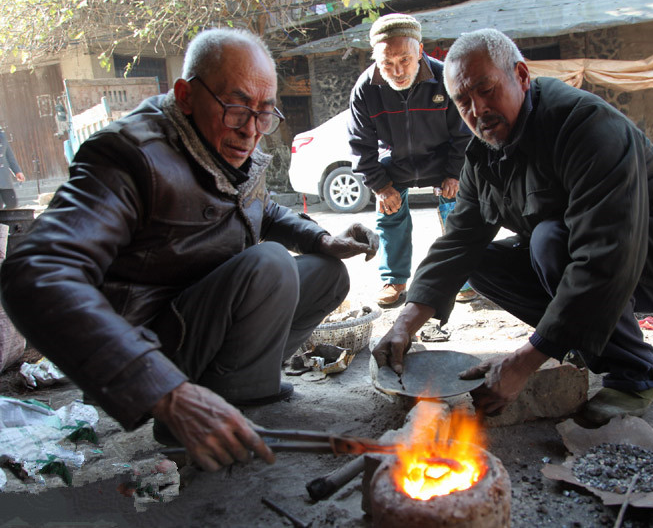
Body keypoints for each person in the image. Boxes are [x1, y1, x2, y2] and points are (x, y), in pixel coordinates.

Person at [0, 29, 378, 472]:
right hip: (155, 341)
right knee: (270, 263)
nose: (252, 131)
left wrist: (321, 240)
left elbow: (262, 208)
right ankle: (199, 410)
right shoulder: (129, 156)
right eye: (237, 109)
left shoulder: (233, 143)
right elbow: (36, 270)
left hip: (211, 311)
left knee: (326, 272)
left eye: (264, 113)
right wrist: (162, 389)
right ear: (184, 95)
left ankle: (239, 388)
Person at [372, 29, 653, 426]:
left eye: (486, 89)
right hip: (590, 250)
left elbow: (606, 254)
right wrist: (404, 324)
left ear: (521, 76)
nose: (477, 109)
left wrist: (525, 361)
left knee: (549, 240)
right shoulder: (484, 152)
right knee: (480, 262)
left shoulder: (585, 126)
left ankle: (636, 373)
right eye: (463, 101)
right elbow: (458, 244)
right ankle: (579, 337)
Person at [347, 13, 472, 307]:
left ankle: (461, 277)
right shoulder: (365, 88)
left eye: (404, 59)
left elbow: (465, 135)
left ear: (419, 50)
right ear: (376, 58)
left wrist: (455, 174)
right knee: (389, 211)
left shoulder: (445, 78)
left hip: (442, 161)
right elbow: (359, 144)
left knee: (457, 209)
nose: (397, 70)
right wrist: (380, 186)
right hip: (396, 162)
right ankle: (395, 280)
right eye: (387, 63)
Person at [0, 127, 25, 209]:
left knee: (12, 203)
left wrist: (17, 171)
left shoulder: (2, 135)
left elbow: (9, 155)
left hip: (3, 176)